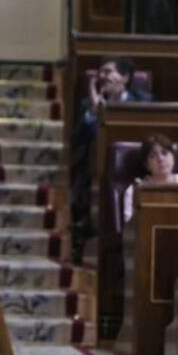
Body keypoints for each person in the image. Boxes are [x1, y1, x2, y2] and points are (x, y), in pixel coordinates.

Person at [71, 57, 152, 255]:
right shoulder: (87, 103)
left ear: (125, 77)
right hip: (96, 168)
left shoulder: (144, 101)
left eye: (108, 72)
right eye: (100, 72)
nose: (102, 76)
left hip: (137, 164)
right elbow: (77, 142)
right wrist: (94, 112)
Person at [122, 133, 178, 224]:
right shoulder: (135, 190)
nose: (160, 159)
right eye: (153, 156)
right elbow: (130, 225)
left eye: (164, 153)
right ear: (147, 165)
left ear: (173, 157)